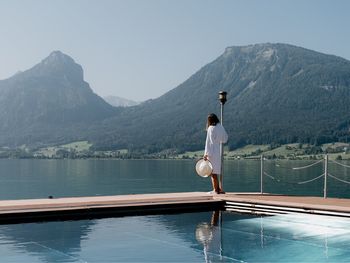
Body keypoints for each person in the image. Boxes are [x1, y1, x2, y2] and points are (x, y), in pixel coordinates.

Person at [203, 113, 228, 194]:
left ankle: (215, 190)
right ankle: (219, 189)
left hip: (212, 152)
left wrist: (206, 154)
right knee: (216, 171)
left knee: (212, 172)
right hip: (219, 150)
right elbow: (225, 139)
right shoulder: (220, 127)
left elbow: (209, 142)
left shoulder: (211, 128)